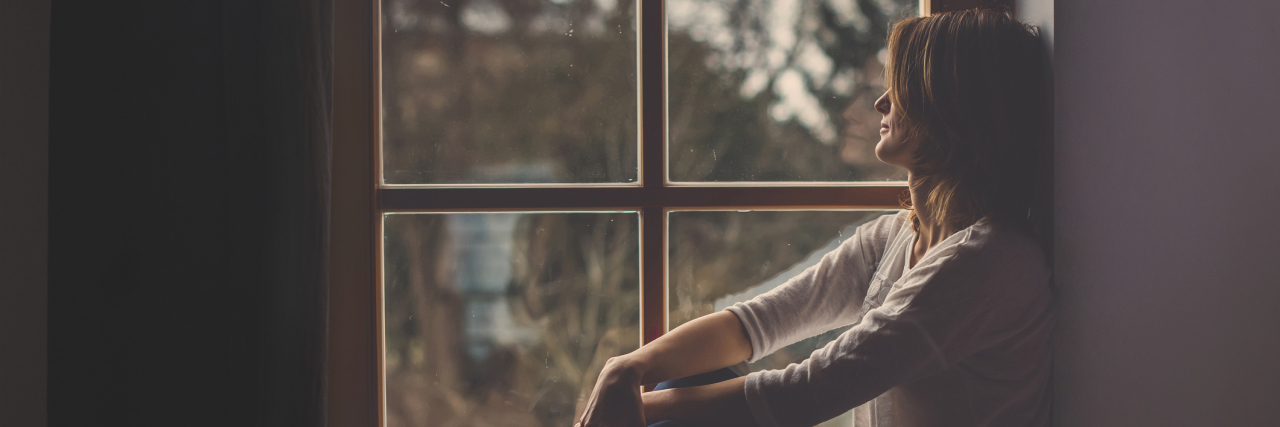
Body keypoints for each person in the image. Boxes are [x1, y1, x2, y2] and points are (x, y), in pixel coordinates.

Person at [576, 8, 1054, 427]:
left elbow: (807, 393)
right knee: (693, 372)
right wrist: (627, 369)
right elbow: (755, 324)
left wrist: (638, 409)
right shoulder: (895, 236)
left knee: (678, 402)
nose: (880, 102)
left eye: (901, 87)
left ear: (947, 107)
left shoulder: (990, 262)